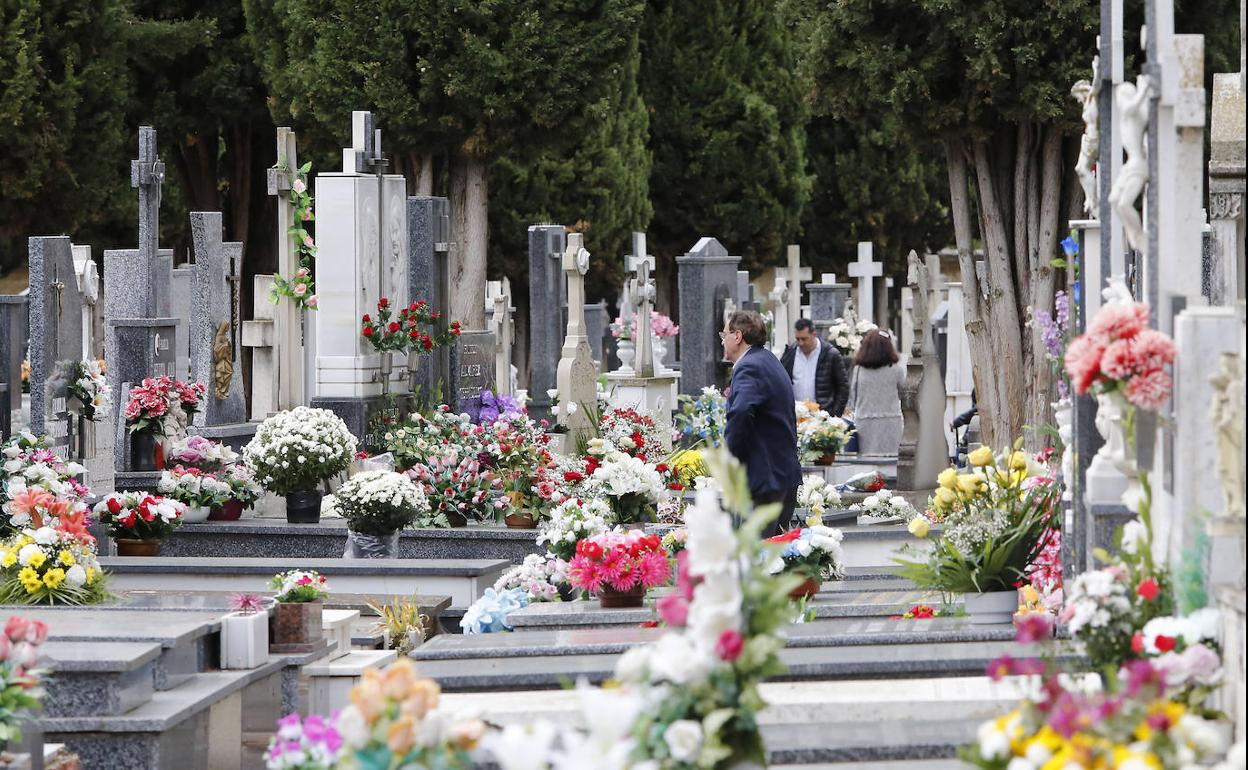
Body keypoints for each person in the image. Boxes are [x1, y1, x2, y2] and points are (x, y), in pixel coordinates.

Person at [721, 310, 802, 536]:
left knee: (756, 558)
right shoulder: (767, 360)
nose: (723, 341)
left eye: (724, 334)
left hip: (763, 479)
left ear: (737, 336)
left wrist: (731, 457)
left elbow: (742, 412)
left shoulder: (750, 367)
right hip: (780, 475)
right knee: (774, 559)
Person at [848, 329, 904, 456]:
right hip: (891, 423)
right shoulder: (896, 371)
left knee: (865, 466)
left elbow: (853, 398)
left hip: (864, 424)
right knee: (891, 464)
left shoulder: (858, 370)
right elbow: (904, 396)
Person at [780, 318, 849, 416]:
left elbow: (843, 387)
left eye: (804, 339)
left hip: (822, 416)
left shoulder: (830, 354)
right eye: (797, 339)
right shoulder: (790, 354)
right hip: (795, 415)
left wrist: (835, 414)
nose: (801, 343)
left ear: (814, 335)